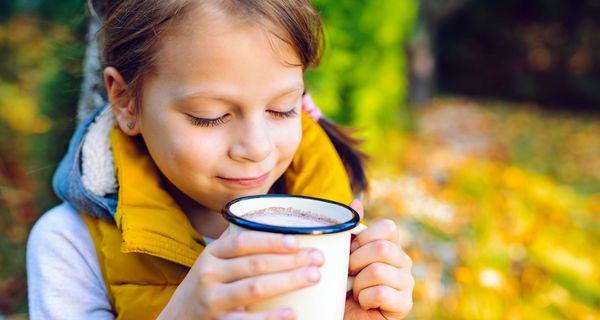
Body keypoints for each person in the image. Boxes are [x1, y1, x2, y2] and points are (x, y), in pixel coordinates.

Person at [27, 1, 414, 319]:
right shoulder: (70, 246)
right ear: (126, 101)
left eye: (282, 109)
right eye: (209, 116)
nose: (256, 148)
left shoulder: (336, 219)